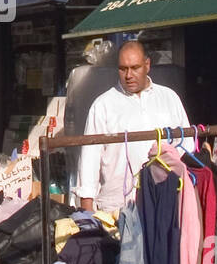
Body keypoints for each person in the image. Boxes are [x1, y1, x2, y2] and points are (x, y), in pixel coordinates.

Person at [75, 39, 192, 216]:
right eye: (123, 69)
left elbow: (186, 146)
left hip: (165, 199)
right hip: (118, 206)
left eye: (135, 68)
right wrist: (87, 209)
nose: (128, 75)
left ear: (147, 65)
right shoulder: (103, 105)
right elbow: (89, 158)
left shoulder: (169, 98)